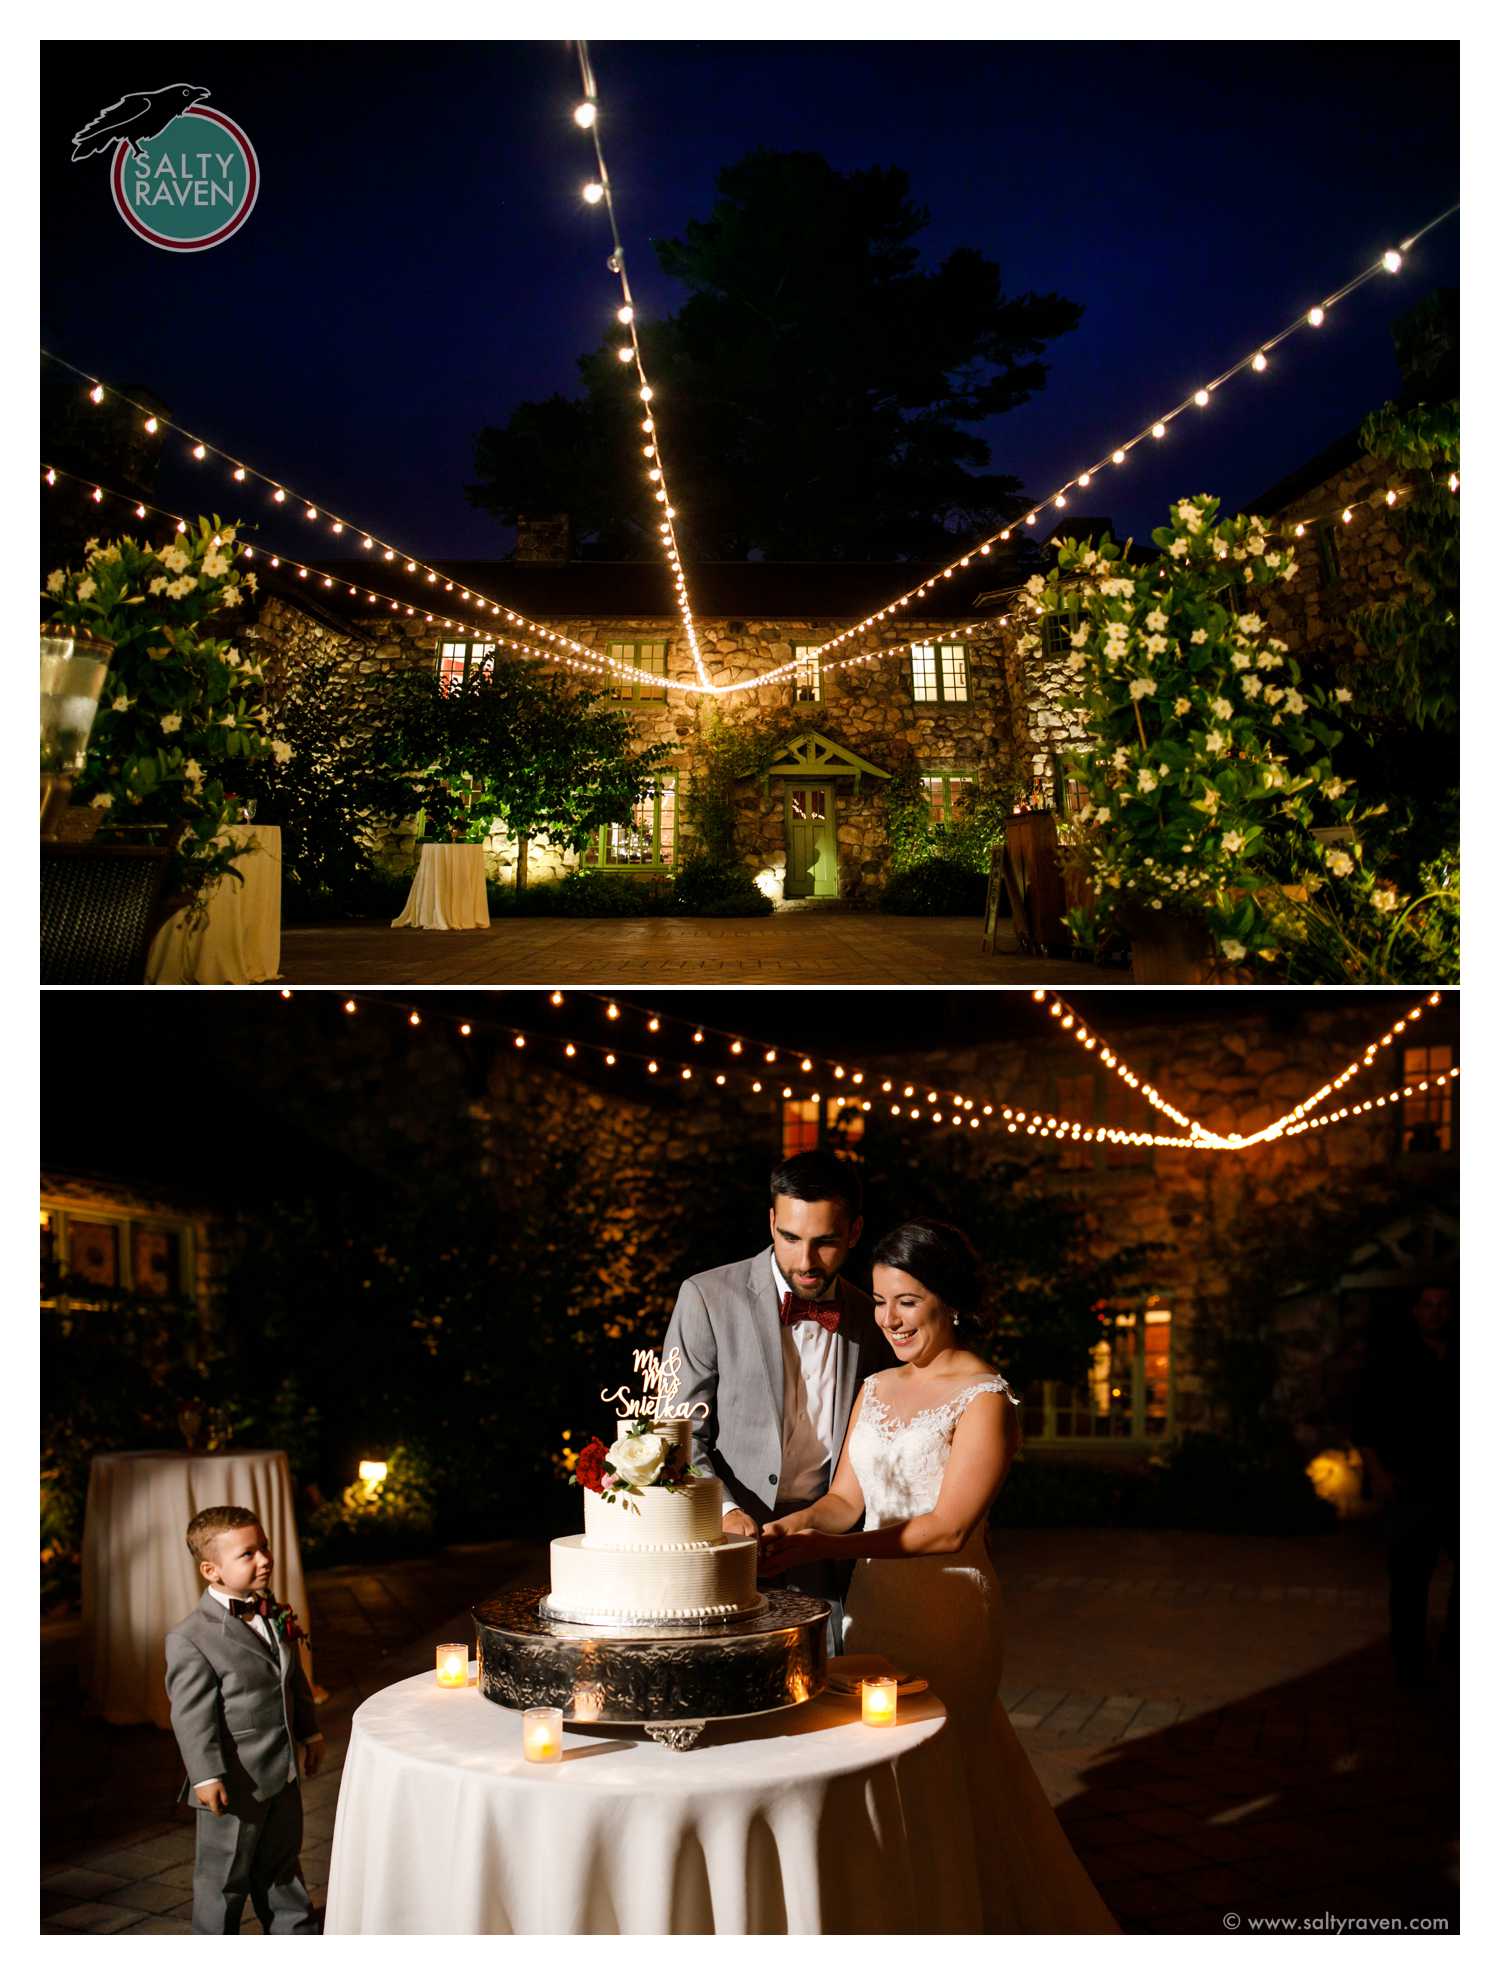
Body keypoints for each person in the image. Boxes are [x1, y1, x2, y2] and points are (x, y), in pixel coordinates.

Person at [759, 1218, 1117, 1933]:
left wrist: (826, 1552)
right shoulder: (877, 1385)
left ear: (947, 1300)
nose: (890, 1319)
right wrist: (790, 1528)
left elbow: (949, 1527)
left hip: (949, 1610)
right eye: (883, 1301)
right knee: (878, 1769)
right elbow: (844, 1502)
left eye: (909, 1302)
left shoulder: (985, 1396)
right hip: (872, 1608)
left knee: (950, 1775)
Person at [662, 1148, 894, 1649]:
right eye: (790, 1237)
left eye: (825, 1242)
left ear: (854, 1232)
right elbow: (677, 1433)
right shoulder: (706, 1297)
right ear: (771, 1221)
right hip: (725, 1547)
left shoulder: (872, 1317)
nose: (805, 1261)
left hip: (825, 1548)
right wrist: (725, 1512)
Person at [165, 1506, 323, 1934]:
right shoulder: (191, 1638)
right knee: (224, 1880)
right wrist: (205, 1775)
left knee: (283, 1866)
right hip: (235, 1782)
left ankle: (296, 1932)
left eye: (264, 1547)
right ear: (211, 1570)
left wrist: (309, 1730)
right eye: (248, 1554)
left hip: (282, 1771)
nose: (265, 1559)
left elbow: (292, 1680)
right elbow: (191, 1714)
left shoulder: (271, 1612)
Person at [1354, 1282, 1459, 1689]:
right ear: (1414, 1311)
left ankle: (1455, 1649)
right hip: (1409, 1483)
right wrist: (1378, 1473)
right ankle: (1409, 1660)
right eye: (1427, 1305)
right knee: (1410, 1577)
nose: (1434, 1312)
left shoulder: (1461, 1356)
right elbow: (1364, 1419)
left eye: (1441, 1304)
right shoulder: (1391, 1360)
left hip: (1456, 1481)